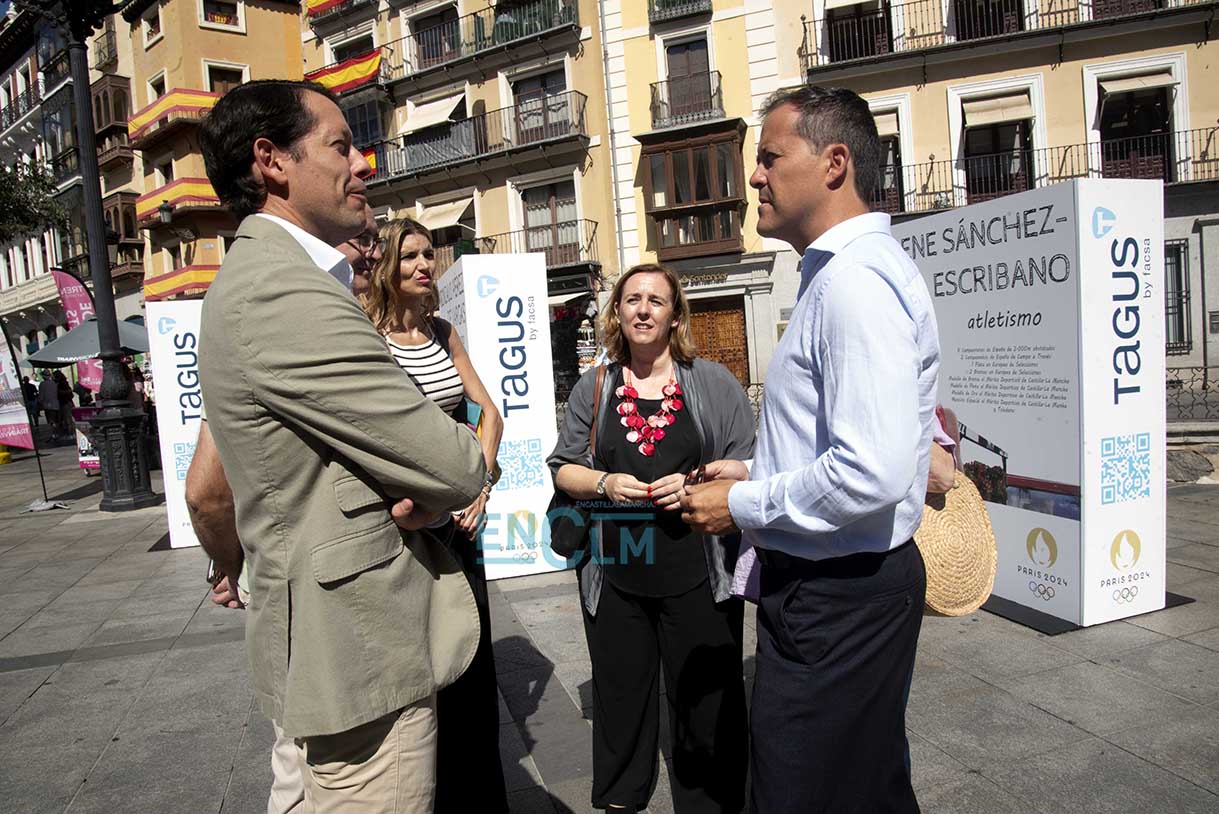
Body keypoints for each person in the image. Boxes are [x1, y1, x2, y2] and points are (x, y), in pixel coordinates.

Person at [197, 79, 487, 813]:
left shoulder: (270, 278)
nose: (363, 164)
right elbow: (455, 463)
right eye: (340, 145)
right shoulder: (283, 289)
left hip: (332, 640)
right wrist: (432, 484)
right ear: (271, 160)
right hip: (360, 650)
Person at [680, 86, 940, 814]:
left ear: (834, 163)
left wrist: (741, 502)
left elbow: (870, 471)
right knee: (863, 786)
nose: (754, 176)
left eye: (770, 157)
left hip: (837, 595)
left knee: (803, 793)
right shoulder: (839, 275)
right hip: (839, 588)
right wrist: (755, 469)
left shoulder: (854, 283)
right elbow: (845, 441)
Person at [186, 207, 385, 814]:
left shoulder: (354, 325)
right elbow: (206, 491)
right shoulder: (281, 323)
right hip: (312, 588)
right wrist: (231, 563)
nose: (371, 252)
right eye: (358, 239)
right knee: (302, 766)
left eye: (376, 240)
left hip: (365, 589)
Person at [548, 263, 755, 814]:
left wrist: (696, 483)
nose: (643, 310)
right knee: (620, 700)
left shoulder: (712, 382)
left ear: (674, 316)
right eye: (632, 299)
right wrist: (604, 483)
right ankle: (621, 799)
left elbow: (749, 462)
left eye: (656, 301)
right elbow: (563, 467)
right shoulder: (595, 386)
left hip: (699, 568)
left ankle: (710, 803)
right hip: (615, 570)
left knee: (705, 701)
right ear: (616, 312)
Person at [363, 216, 508, 814]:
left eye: (428, 254)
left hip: (458, 526)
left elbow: (489, 413)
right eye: (409, 256)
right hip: (401, 531)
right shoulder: (367, 336)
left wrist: (480, 484)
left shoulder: (443, 332)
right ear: (386, 267)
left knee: (470, 660)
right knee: (419, 673)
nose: (424, 265)